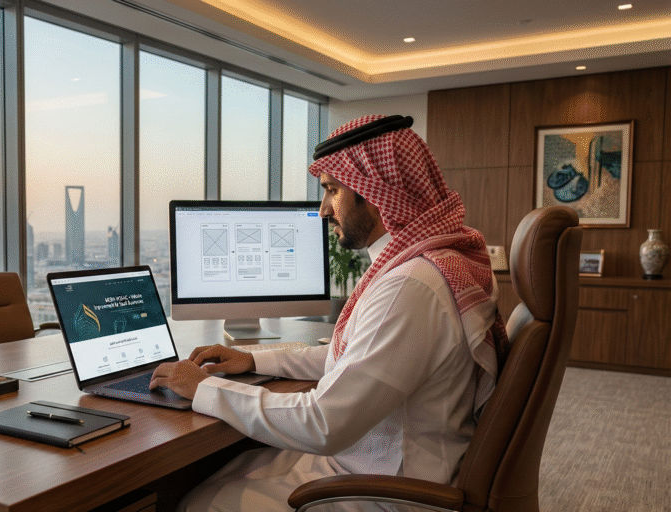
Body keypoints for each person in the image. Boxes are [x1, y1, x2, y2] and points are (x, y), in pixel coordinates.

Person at [149, 115, 509, 511]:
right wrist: (253, 358)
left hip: (387, 487)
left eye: (332, 190)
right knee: (222, 472)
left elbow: (324, 423)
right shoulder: (428, 264)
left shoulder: (411, 286)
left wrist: (203, 388)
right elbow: (356, 354)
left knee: (197, 503)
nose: (323, 210)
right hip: (377, 459)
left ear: (375, 191)